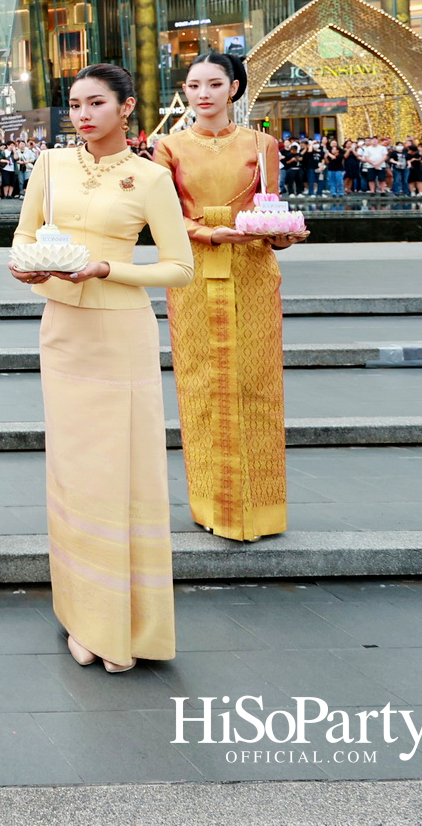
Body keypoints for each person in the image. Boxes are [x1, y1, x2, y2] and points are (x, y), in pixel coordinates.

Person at [9, 64, 193, 674]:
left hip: (121, 334)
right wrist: (27, 266)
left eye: (96, 103)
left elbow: (179, 267)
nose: (82, 114)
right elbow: (23, 234)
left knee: (126, 475)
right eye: (74, 104)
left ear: (126, 108)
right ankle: (85, 616)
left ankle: (130, 624)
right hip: (63, 333)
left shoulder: (151, 177)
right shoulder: (51, 167)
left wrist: (110, 270)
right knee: (74, 473)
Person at [155, 54, 301, 543]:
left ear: (234, 88)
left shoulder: (263, 145)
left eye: (215, 83)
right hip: (195, 272)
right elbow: (166, 221)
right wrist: (212, 234)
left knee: (257, 381)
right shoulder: (167, 148)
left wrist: (283, 235)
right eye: (194, 84)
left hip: (254, 269)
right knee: (200, 384)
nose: (204, 93)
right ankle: (212, 502)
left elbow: (270, 208)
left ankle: (259, 507)